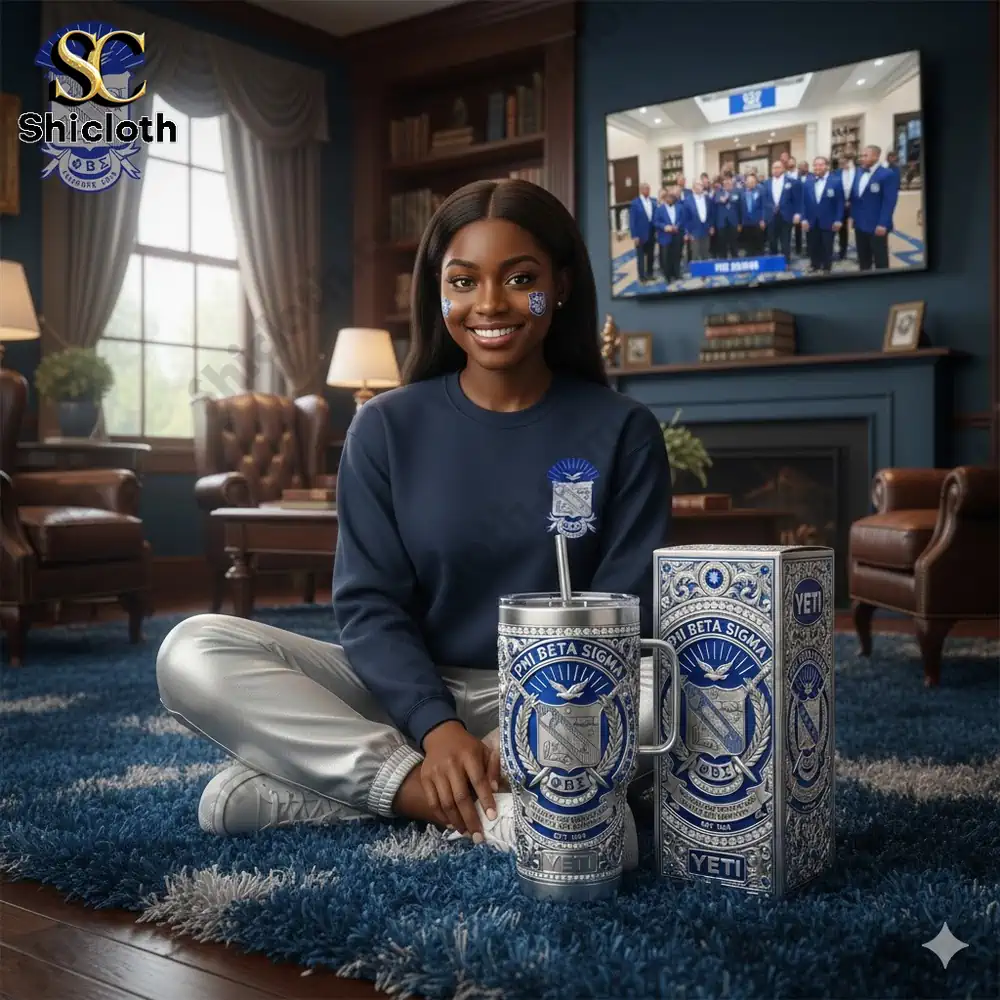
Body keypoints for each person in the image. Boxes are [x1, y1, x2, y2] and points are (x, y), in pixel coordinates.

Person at [154, 179, 672, 865]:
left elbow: (627, 608)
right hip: (404, 699)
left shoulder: (623, 430)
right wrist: (437, 732)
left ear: (563, 286)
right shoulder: (385, 426)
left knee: (680, 694)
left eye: (521, 279)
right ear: (439, 293)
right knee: (193, 647)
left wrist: (520, 726)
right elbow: (369, 605)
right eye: (464, 281)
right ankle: (440, 796)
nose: (490, 304)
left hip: (564, 699)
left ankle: (325, 791)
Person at [851, 144, 899, 271]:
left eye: (865, 155)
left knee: (880, 259)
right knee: (863, 258)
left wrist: (883, 223)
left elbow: (889, 202)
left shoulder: (887, 174)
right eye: (861, 155)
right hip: (860, 224)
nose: (861, 158)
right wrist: (853, 217)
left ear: (876, 156)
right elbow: (856, 197)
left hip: (877, 225)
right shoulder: (859, 172)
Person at [800, 156, 844, 273]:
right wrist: (803, 219)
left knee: (827, 246)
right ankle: (814, 265)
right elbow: (803, 202)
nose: (817, 167)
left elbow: (840, 202)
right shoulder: (808, 182)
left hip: (829, 220)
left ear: (827, 166)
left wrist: (838, 219)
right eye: (815, 165)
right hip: (811, 220)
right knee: (813, 245)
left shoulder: (836, 181)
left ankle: (826, 267)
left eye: (820, 165)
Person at [629, 181, 657, 282]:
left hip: (651, 232)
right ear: (641, 190)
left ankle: (650, 273)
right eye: (645, 188)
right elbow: (632, 221)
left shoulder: (653, 201)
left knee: (651, 255)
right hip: (640, 234)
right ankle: (642, 276)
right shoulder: (635, 203)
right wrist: (634, 235)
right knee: (641, 256)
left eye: (648, 189)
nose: (647, 190)